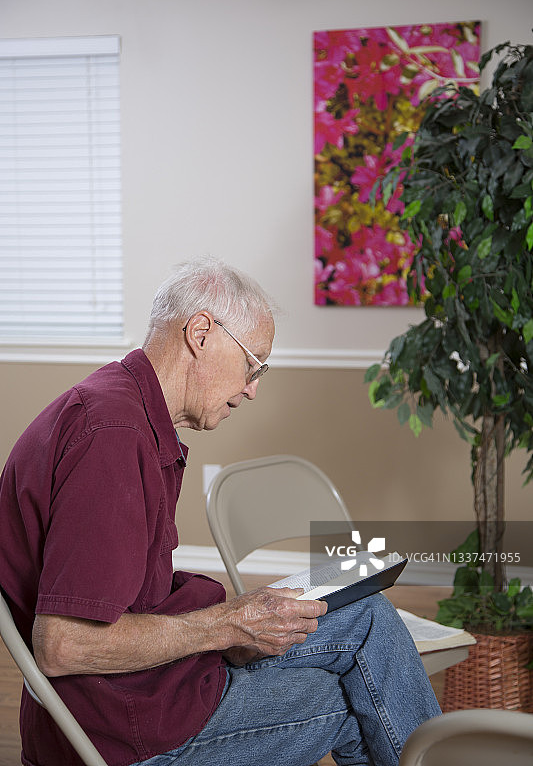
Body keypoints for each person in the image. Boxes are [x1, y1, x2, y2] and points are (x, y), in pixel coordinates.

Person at [0, 255, 441, 766]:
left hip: (149, 688)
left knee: (362, 612)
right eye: (254, 366)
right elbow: (64, 644)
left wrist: (234, 620)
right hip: (125, 729)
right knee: (349, 701)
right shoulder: (113, 438)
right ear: (201, 333)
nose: (254, 389)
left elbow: (130, 592)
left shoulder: (125, 410)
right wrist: (225, 625)